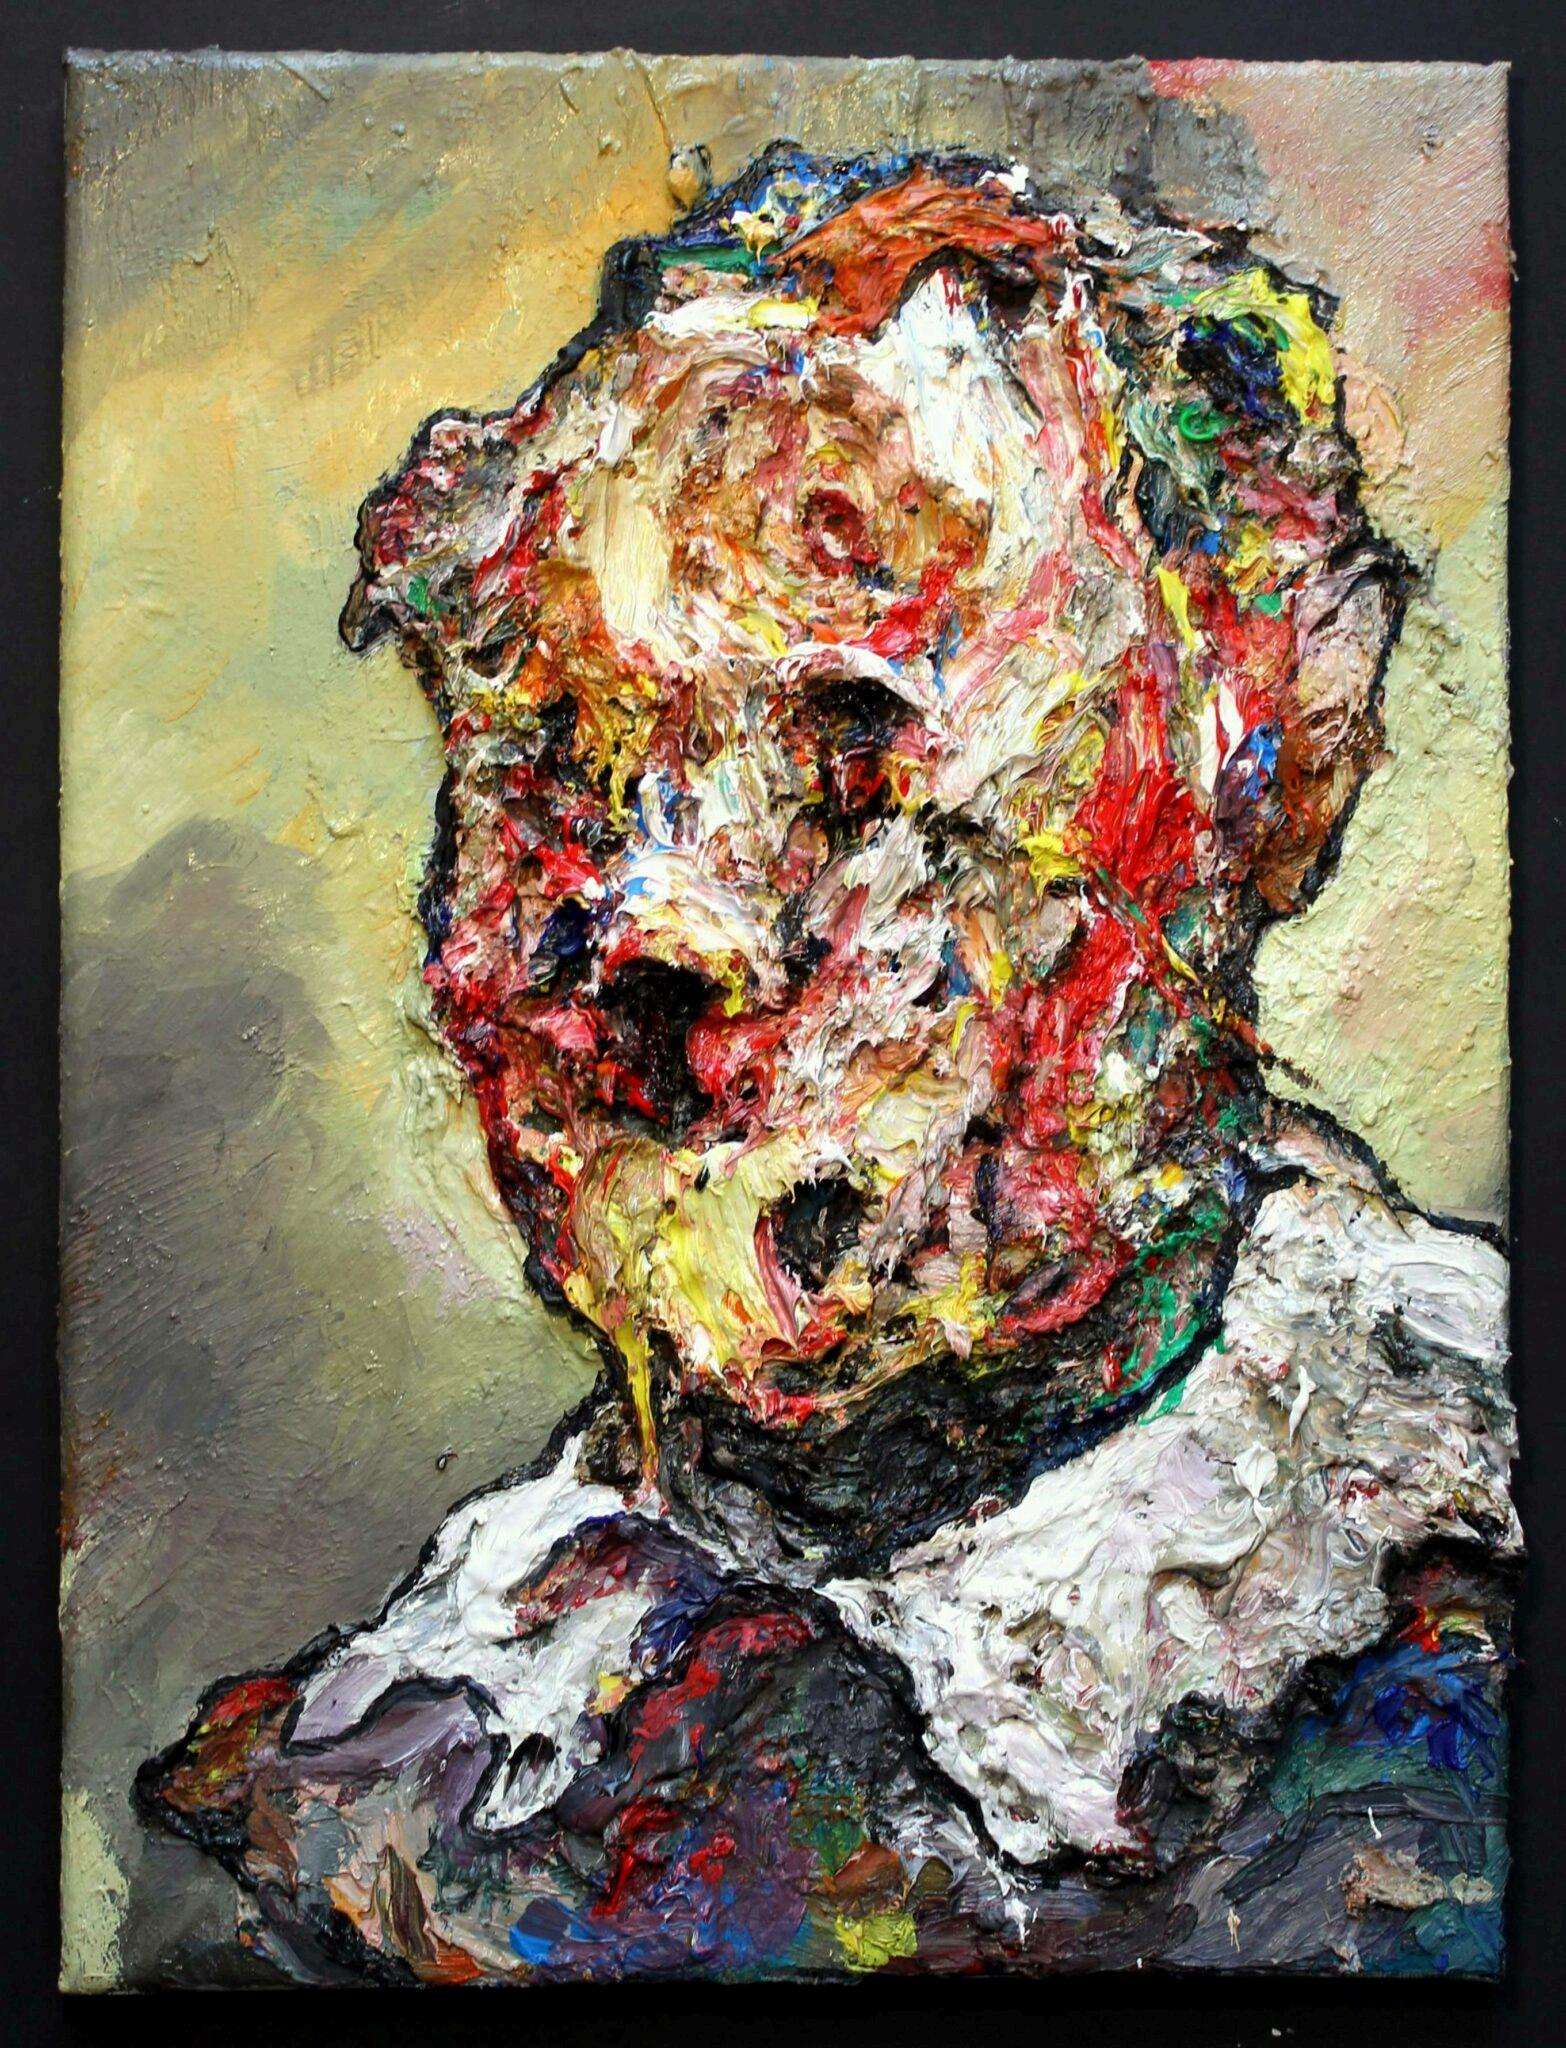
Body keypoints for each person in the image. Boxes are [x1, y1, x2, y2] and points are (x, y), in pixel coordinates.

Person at [140, 148, 1518, 1983]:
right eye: (552, 766)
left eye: (848, 746)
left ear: (1260, 776)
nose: (652, 927)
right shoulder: (373, 1801)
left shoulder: (1449, 1650)